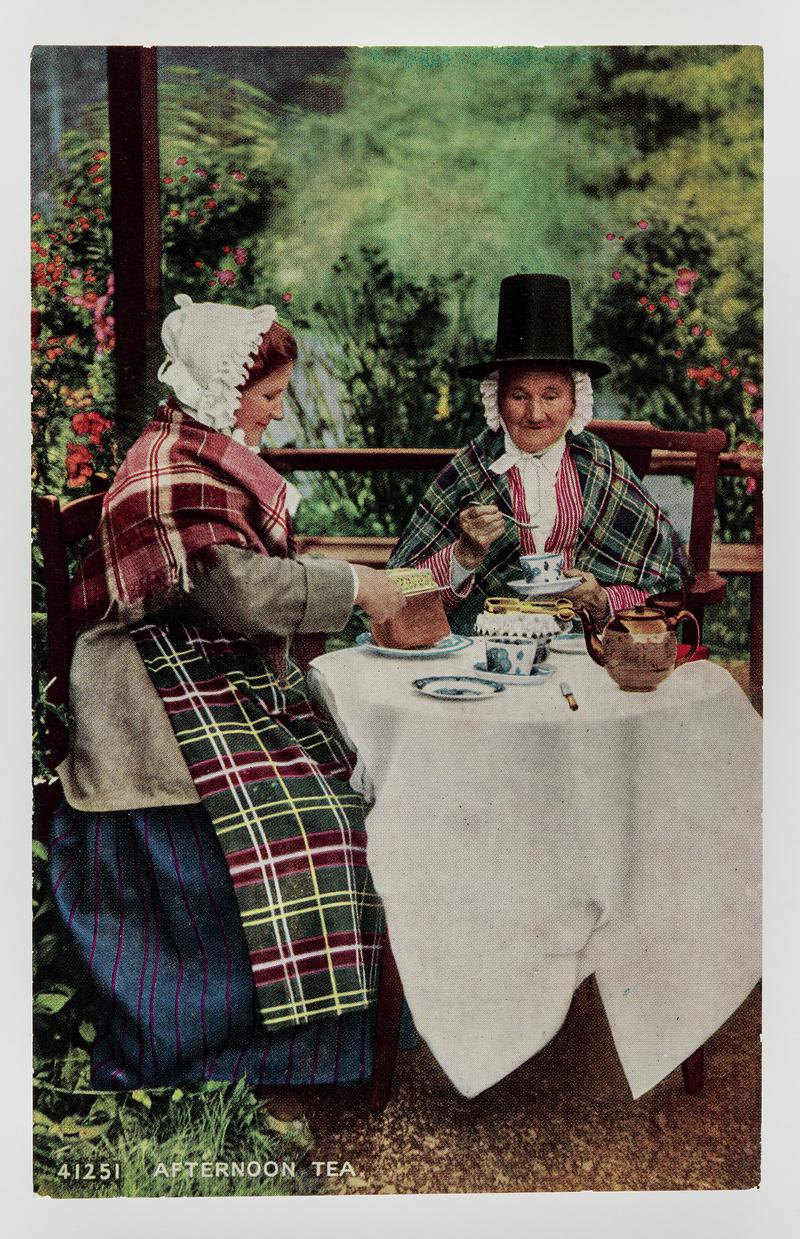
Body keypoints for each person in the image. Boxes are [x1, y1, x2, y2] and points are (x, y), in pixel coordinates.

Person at [50, 294, 406, 1090]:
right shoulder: (167, 469)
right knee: (321, 820)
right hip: (141, 695)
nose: (276, 417)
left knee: (351, 776)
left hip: (192, 663)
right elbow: (238, 594)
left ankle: (342, 1032)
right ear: (224, 386)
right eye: (270, 397)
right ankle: (235, 1048)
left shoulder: (193, 449)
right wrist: (357, 586)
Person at [390, 274, 690, 633]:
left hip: (580, 640)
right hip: (486, 640)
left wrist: (602, 599)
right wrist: (463, 557)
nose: (535, 414)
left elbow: (666, 574)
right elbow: (399, 590)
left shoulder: (599, 465)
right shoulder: (469, 471)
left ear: (574, 401)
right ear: (496, 400)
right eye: (519, 396)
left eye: (550, 396)